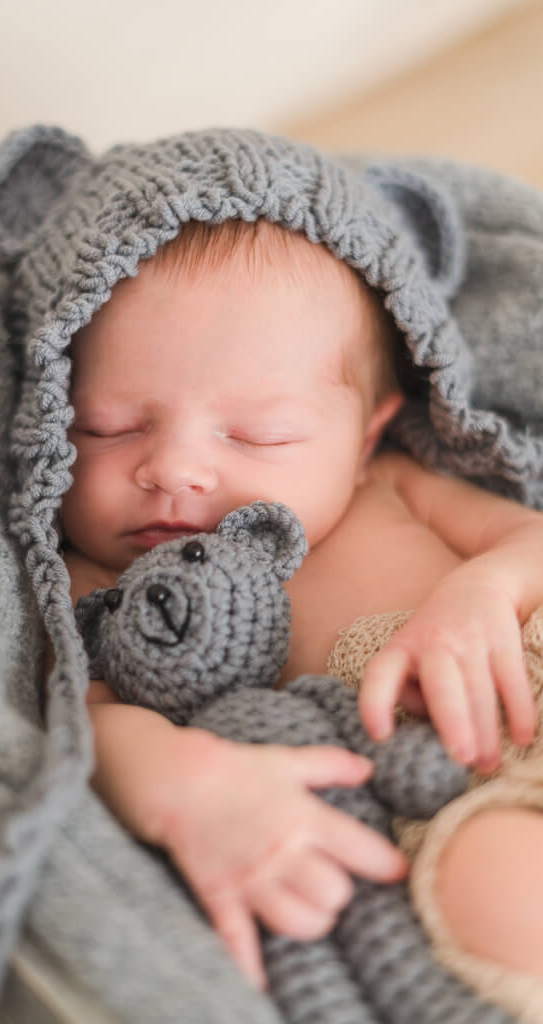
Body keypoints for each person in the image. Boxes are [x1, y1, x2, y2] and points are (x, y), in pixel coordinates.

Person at [59, 216, 543, 993]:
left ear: (361, 439)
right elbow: (81, 719)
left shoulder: (387, 484)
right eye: (106, 426)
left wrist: (481, 587)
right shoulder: (95, 582)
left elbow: (530, 538)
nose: (175, 469)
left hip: (523, 660)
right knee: (496, 887)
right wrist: (187, 787)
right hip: (443, 787)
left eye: (258, 434)